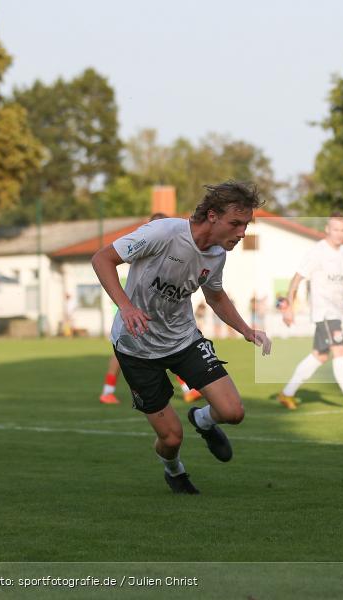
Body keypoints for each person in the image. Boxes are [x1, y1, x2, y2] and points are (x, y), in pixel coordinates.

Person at [91, 181, 271, 494]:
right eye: (236, 223)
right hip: (137, 348)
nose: (242, 233)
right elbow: (102, 259)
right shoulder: (164, 233)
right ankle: (174, 471)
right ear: (212, 215)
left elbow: (215, 297)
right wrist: (127, 307)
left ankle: (202, 420)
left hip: (183, 340)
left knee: (233, 412)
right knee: (172, 438)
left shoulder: (216, 255)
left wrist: (245, 329)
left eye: (245, 225)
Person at [276, 213, 343, 410]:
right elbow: (296, 279)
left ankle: (287, 393)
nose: (339, 234)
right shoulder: (318, 252)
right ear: (327, 229)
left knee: (319, 356)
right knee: (340, 351)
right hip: (325, 313)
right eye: (335, 229)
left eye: (342, 230)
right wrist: (289, 308)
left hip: (335, 312)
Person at [99, 212, 202, 405]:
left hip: (152, 313)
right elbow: (104, 259)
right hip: (133, 311)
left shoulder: (170, 244)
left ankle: (187, 389)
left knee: (168, 349)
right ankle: (107, 390)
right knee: (127, 352)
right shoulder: (146, 243)